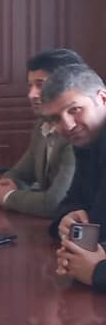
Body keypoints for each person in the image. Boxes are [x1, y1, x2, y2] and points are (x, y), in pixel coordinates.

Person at [0, 48, 84, 216]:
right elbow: (21, 174)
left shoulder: (77, 132)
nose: (31, 94)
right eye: (30, 86)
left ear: (68, 86)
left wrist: (6, 197)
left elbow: (55, 203)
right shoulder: (42, 126)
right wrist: (0, 188)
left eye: (40, 85)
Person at [41, 65, 106, 291]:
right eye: (55, 118)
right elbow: (71, 202)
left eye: (75, 110)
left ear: (103, 98)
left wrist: (98, 272)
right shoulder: (88, 142)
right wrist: (66, 221)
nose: (67, 125)